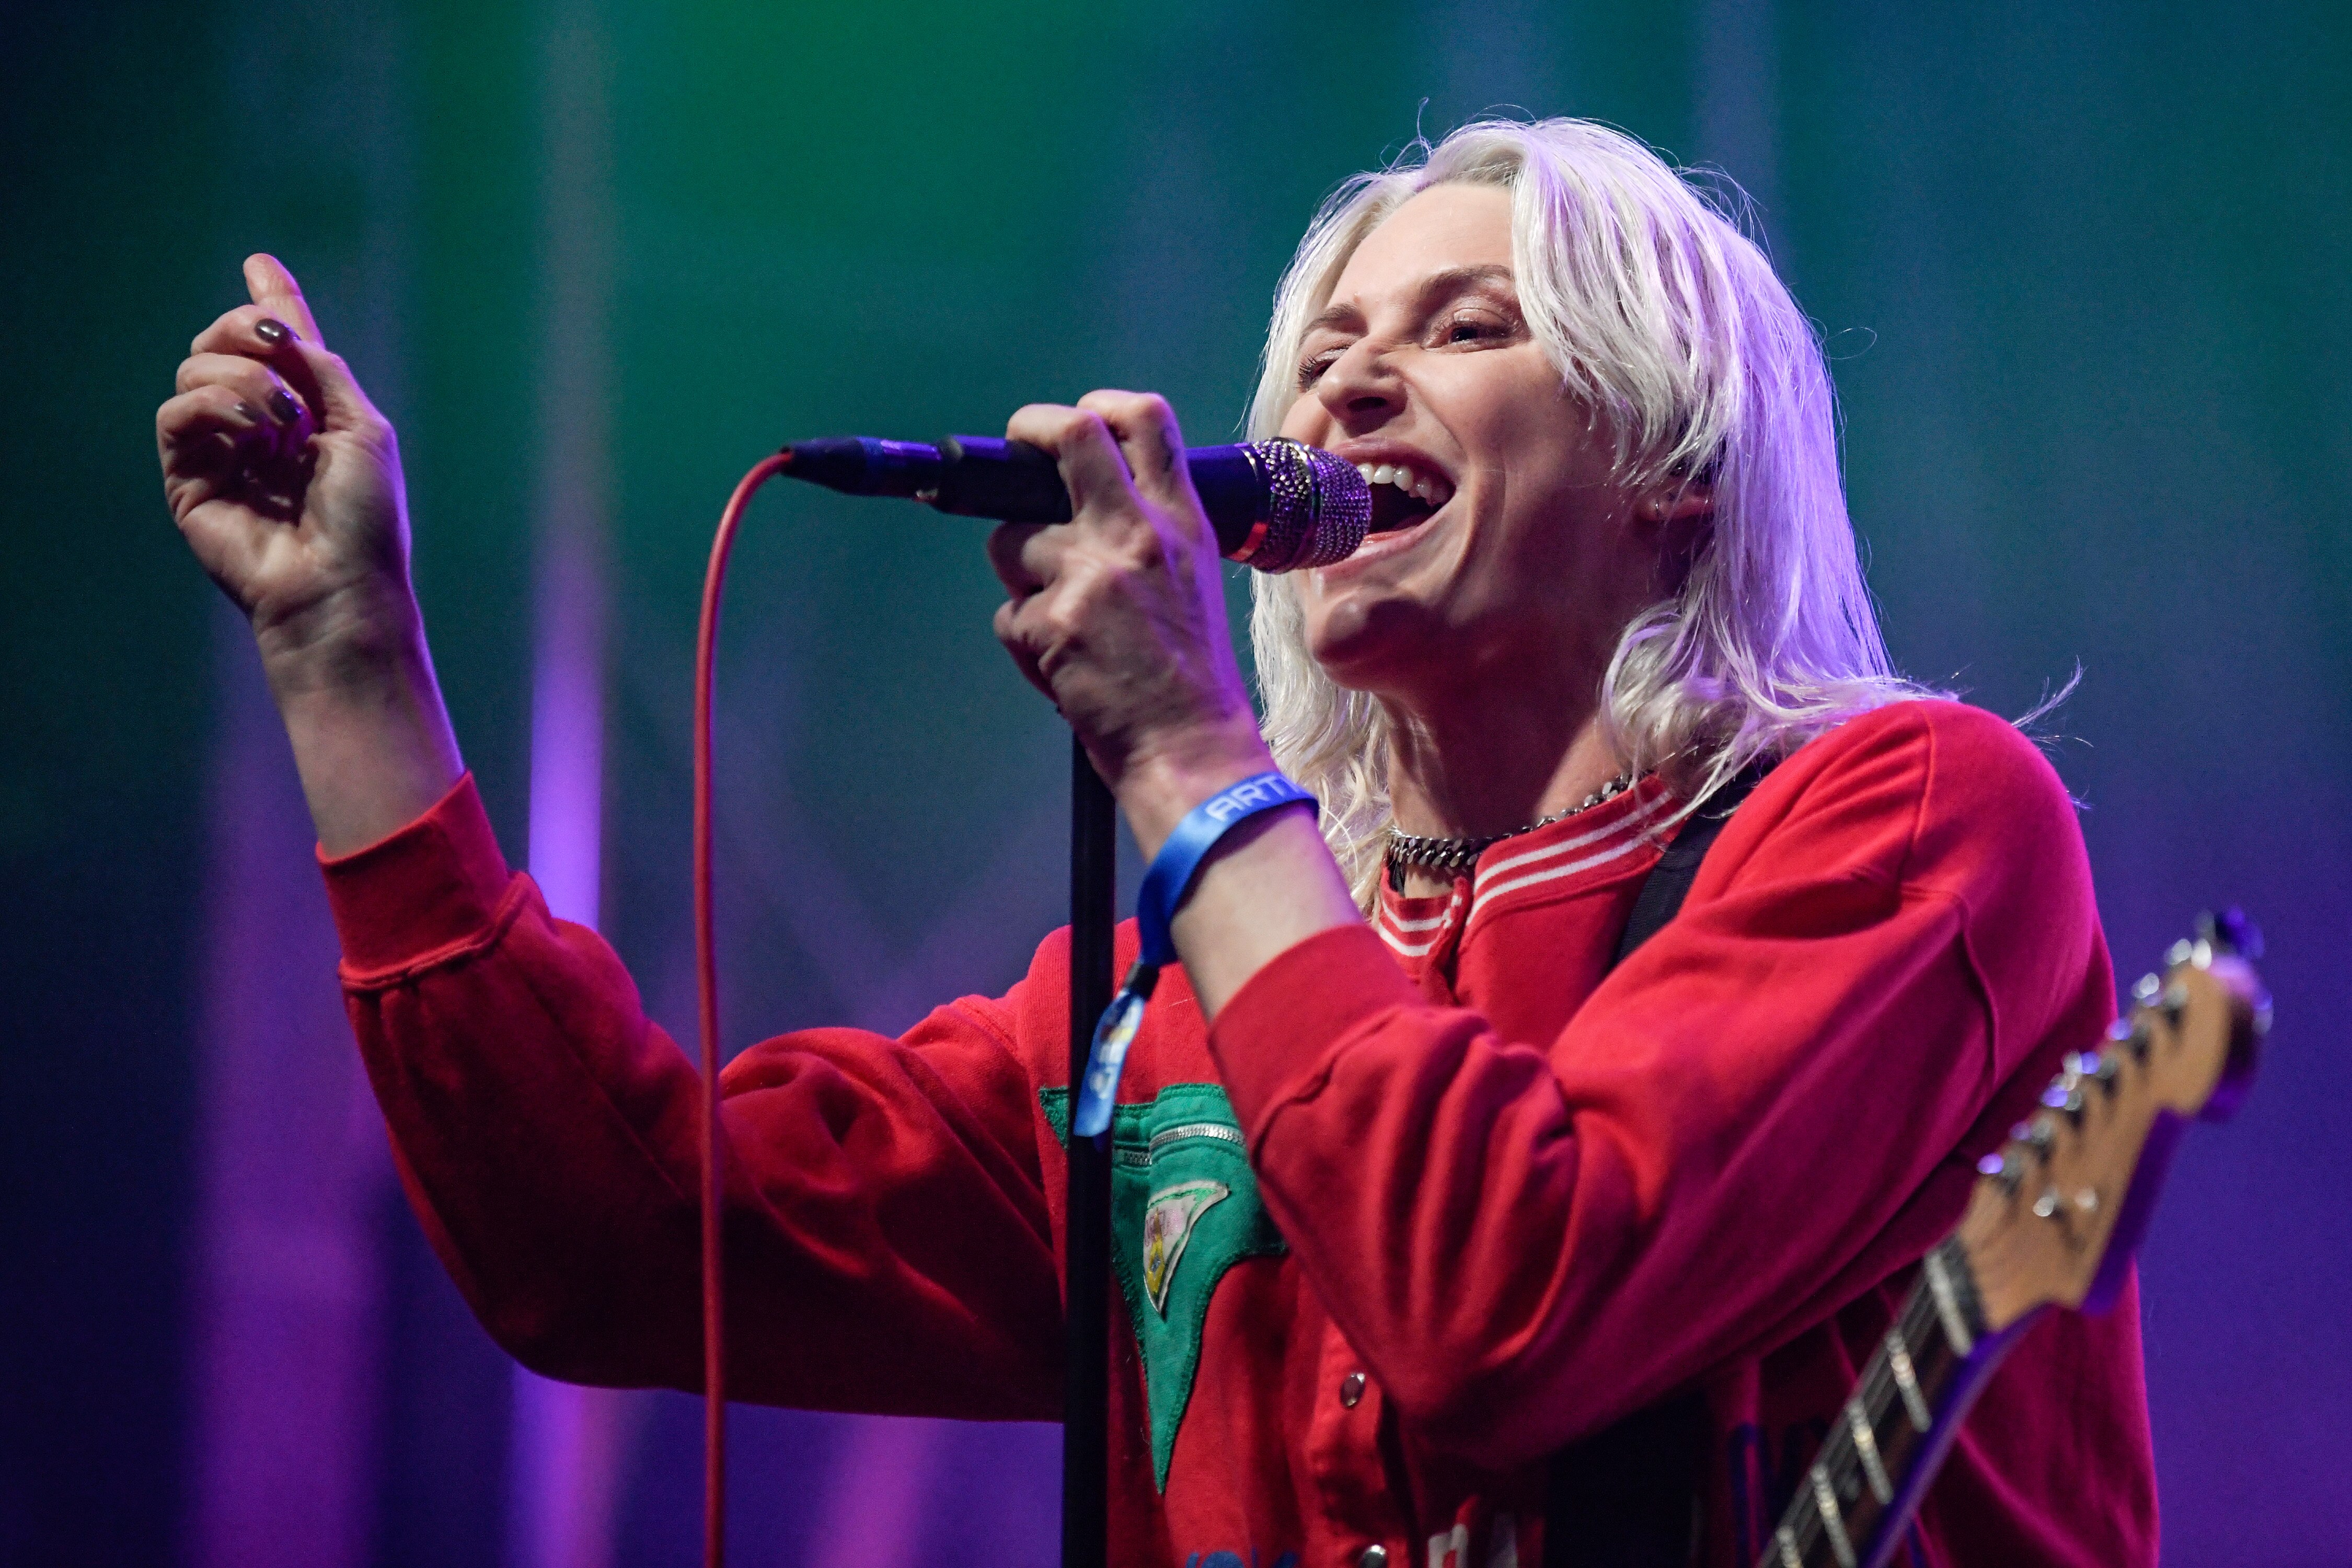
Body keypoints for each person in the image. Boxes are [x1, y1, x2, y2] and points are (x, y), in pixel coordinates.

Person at [157, 118, 2154, 1567]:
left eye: (1466, 328)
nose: (1351, 375)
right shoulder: (1167, 997)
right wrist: (348, 664)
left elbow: (1508, 1300)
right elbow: (608, 1247)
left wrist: (1190, 757)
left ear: (1675, 475)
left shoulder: (1906, 821)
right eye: (1325, 350)